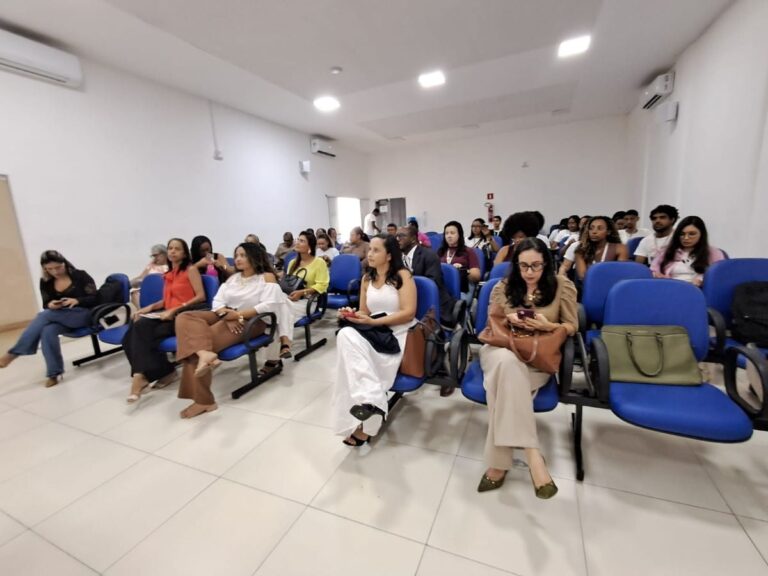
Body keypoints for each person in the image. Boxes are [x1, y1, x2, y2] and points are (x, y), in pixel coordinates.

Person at [478, 238, 577, 498]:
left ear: (547, 263)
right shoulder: (503, 287)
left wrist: (547, 327)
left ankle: (499, 465)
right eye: (523, 266)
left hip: (537, 357)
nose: (530, 273)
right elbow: (491, 324)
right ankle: (534, 455)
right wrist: (508, 318)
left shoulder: (562, 286)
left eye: (536, 266)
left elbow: (572, 326)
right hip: (501, 349)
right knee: (507, 363)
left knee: (504, 384)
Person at [174, 242, 294, 418]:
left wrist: (237, 315)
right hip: (226, 315)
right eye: (236, 255)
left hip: (252, 321)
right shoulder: (233, 279)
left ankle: (204, 401)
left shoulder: (266, 277)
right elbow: (217, 301)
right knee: (184, 317)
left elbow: (269, 305)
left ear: (254, 257)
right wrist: (226, 316)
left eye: (243, 255)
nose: (237, 259)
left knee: (194, 347)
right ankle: (203, 353)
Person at [332, 234, 416, 446]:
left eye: (376, 250)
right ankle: (374, 401)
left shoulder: (402, 275)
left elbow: (408, 313)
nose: (369, 254)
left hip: (396, 334)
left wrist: (374, 322)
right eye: (370, 249)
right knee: (345, 333)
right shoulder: (367, 278)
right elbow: (364, 313)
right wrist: (351, 315)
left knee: (351, 353)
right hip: (374, 331)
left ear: (389, 255)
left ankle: (370, 411)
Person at [123, 238, 205, 403]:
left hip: (183, 316)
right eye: (170, 248)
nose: (173, 251)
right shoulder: (168, 273)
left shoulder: (190, 270)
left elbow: (200, 296)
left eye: (177, 249)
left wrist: (176, 309)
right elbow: (167, 299)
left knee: (140, 330)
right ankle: (160, 372)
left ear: (184, 253)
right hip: (166, 313)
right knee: (129, 336)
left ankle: (141, 377)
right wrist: (150, 307)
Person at [0, 251, 99, 387]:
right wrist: (51, 304)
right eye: (50, 269)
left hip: (84, 314)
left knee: (44, 315)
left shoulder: (80, 275)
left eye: (58, 267)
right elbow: (46, 304)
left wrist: (77, 300)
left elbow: (95, 298)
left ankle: (13, 353)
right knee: (48, 330)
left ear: (64, 263)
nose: (55, 272)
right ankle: (54, 373)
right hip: (62, 316)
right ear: (45, 269)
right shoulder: (46, 282)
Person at [397, 226, 458, 328]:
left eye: (402, 236)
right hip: (407, 302)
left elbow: (431, 284)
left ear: (413, 239)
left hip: (432, 303)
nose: (397, 239)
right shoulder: (398, 257)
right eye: (396, 236)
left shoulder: (429, 255)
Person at [282, 231, 329, 359]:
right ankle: (283, 346)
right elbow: (287, 284)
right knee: (280, 308)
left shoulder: (319, 263)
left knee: (282, 310)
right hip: (291, 299)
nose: (297, 242)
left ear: (309, 246)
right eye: (298, 239)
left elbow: (322, 285)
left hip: (309, 301)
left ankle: (285, 344)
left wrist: (302, 292)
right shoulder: (292, 263)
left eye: (302, 241)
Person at [651, 216, 725, 287]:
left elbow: (719, 274)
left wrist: (701, 279)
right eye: (682, 234)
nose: (686, 238)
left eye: (691, 234)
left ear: (701, 234)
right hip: (670, 287)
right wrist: (657, 274)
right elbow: (653, 268)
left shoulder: (713, 253)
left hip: (699, 291)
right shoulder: (668, 250)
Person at [574, 216, 629, 281]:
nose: (594, 232)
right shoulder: (581, 250)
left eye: (599, 228)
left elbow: (620, 274)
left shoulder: (620, 248)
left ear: (608, 232)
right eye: (591, 228)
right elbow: (583, 276)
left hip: (612, 286)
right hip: (589, 287)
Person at [438, 221, 481, 303]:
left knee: (454, 303)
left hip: (463, 286)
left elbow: (476, 276)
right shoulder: (440, 252)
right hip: (443, 286)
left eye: (452, 233)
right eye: (446, 233)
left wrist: (463, 270)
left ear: (459, 235)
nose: (449, 236)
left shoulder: (468, 251)